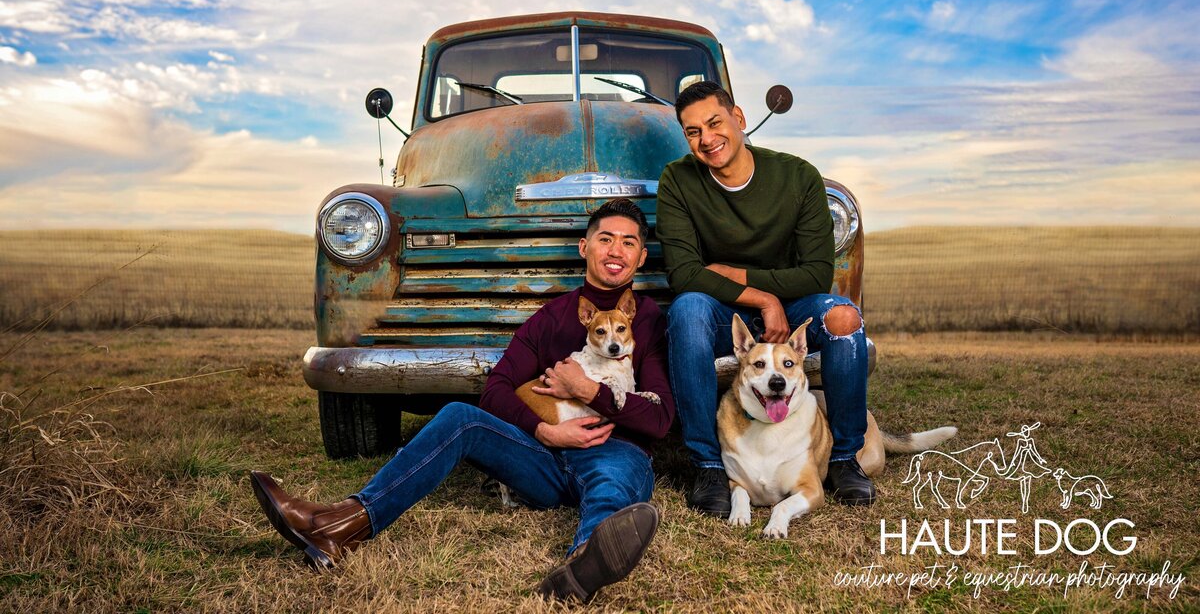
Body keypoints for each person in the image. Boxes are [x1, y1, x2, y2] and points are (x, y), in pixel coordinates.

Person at [249, 198, 674, 603]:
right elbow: (495, 390)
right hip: (541, 458)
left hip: (611, 450)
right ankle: (341, 524)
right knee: (460, 417)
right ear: (585, 247)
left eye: (629, 242)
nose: (616, 250)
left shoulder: (650, 320)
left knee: (613, 486)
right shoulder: (550, 318)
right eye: (605, 238)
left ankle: (581, 568)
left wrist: (587, 391)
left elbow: (658, 420)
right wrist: (545, 430)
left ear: (640, 257)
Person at [656, 81, 875, 517]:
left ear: (738, 119)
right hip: (724, 311)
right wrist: (760, 299)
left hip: (794, 305)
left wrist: (741, 277)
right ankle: (708, 465)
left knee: (844, 318)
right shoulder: (678, 181)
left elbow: (816, 274)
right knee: (686, 311)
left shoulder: (797, 176)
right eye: (693, 131)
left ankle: (846, 458)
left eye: (714, 123)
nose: (706, 138)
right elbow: (685, 275)